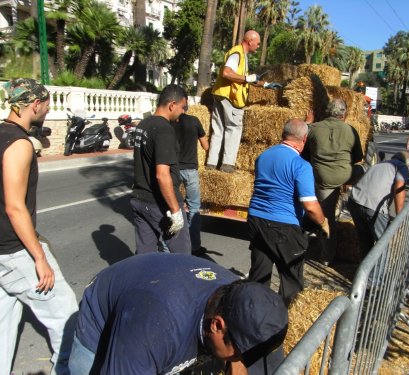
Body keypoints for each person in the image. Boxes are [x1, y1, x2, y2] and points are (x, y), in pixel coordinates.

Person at [68, 253, 288, 374]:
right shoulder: (154, 329)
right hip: (104, 318)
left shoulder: (244, 303)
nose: (243, 361)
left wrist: (239, 363)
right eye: (241, 353)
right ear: (217, 326)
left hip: (159, 296)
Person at [0, 78, 78, 375]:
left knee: (4, 325)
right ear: (35, 105)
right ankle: (67, 369)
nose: (46, 111)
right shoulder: (19, 144)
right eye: (45, 106)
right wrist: (39, 257)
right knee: (66, 314)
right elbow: (14, 206)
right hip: (15, 250)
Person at [247, 118, 329, 306]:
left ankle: (253, 311)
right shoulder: (300, 165)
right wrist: (323, 222)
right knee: (291, 279)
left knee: (259, 274)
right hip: (283, 225)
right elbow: (309, 205)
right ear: (304, 139)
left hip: (256, 219)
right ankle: (283, 318)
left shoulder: (264, 156)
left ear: (284, 135)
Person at [206, 30, 281, 173]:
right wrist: (247, 78)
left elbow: (243, 77)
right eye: (257, 43)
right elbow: (227, 73)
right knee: (233, 128)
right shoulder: (237, 53)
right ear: (250, 41)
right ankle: (227, 164)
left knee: (218, 129)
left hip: (220, 95)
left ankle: (211, 163)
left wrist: (265, 84)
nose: (258, 46)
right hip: (230, 97)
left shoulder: (241, 55)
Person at [131, 84, 191, 254]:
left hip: (139, 200)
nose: (183, 112)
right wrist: (176, 210)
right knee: (183, 259)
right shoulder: (164, 130)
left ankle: (145, 281)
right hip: (160, 203)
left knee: (145, 258)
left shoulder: (143, 124)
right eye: (183, 107)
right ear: (172, 105)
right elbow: (162, 176)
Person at [303, 98, 363, 265]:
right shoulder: (350, 130)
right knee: (363, 170)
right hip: (346, 175)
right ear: (343, 115)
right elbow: (358, 157)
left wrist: (307, 123)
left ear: (327, 113)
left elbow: (303, 152)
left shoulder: (313, 129)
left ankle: (326, 256)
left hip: (323, 180)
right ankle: (359, 201)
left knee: (327, 218)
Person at [346, 151, 409, 258]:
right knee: (382, 243)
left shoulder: (379, 165)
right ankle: (379, 274)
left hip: (354, 201)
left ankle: (364, 273)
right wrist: (400, 215)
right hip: (373, 206)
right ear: (407, 163)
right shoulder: (401, 166)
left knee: (365, 238)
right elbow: (399, 187)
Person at [173, 113, 209, 256]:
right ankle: (194, 246)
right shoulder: (194, 121)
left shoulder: (169, 122)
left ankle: (172, 244)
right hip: (190, 170)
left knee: (173, 207)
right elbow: (205, 146)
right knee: (194, 208)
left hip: (174, 169)